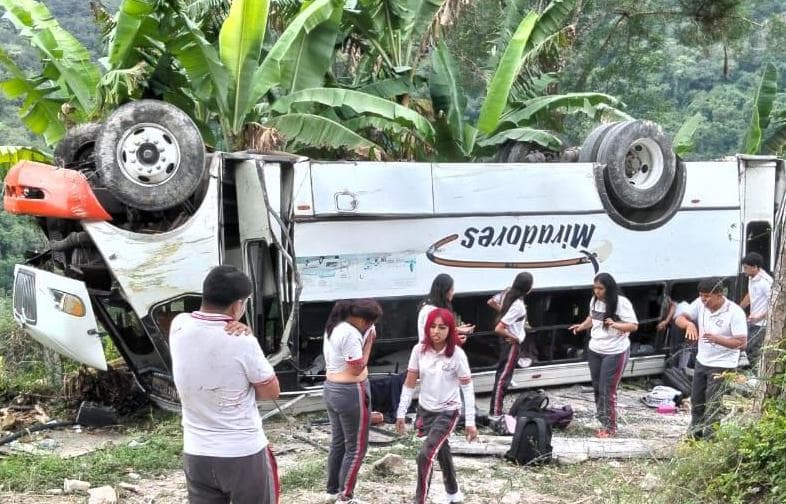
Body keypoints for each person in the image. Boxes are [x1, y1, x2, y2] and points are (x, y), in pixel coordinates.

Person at [170, 265, 281, 504]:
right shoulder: (242, 341)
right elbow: (271, 391)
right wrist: (245, 333)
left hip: (196, 452)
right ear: (238, 304)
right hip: (242, 452)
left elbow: (204, 329)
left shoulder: (178, 325)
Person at [396, 308, 478, 504]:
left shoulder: (457, 355)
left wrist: (470, 421)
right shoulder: (419, 350)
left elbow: (467, 388)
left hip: (448, 410)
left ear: (450, 330)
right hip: (426, 408)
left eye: (442, 327)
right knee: (442, 449)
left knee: (425, 456)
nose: (436, 331)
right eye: (432, 326)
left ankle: (420, 500)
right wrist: (401, 412)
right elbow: (409, 383)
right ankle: (453, 492)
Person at [323, 299, 383, 504]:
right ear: (358, 318)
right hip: (350, 391)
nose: (368, 327)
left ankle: (333, 490)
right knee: (356, 447)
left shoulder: (334, 326)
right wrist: (368, 343)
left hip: (332, 389)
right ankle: (345, 496)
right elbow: (357, 367)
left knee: (338, 442)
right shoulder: (349, 333)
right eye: (368, 323)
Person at [674, 277, 747, 439]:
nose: (704, 300)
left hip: (723, 364)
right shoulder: (700, 304)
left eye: (707, 296)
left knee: (713, 403)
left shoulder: (734, 312)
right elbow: (679, 317)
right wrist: (689, 324)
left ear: (720, 294)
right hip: (702, 361)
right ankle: (694, 436)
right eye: (701, 295)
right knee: (697, 401)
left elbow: (742, 343)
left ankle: (710, 440)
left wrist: (717, 339)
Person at [569, 272, 638, 438]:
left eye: (600, 288)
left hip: (615, 351)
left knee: (608, 390)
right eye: (595, 288)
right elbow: (592, 318)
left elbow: (634, 326)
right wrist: (581, 326)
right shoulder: (595, 301)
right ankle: (602, 420)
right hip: (595, 349)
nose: (597, 292)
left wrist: (616, 325)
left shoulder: (621, 303)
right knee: (597, 387)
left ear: (609, 288)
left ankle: (610, 427)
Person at [489, 272, 534, 416]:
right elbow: (499, 328)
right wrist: (513, 337)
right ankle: (496, 412)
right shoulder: (518, 305)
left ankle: (495, 411)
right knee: (503, 379)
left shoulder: (508, 294)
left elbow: (491, 301)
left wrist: (503, 312)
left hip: (505, 343)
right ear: (528, 288)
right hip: (511, 344)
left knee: (501, 376)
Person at [418, 273, 475, 344]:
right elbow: (433, 337)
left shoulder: (432, 305)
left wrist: (458, 330)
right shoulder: (431, 310)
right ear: (444, 291)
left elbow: (439, 330)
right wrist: (456, 341)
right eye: (451, 290)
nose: (452, 294)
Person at [739, 252, 773, 368]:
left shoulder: (766, 282)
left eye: (746, 268)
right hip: (752, 320)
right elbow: (750, 295)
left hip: (762, 323)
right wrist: (738, 309)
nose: (744, 270)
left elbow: (774, 305)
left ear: (755, 267)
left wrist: (759, 317)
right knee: (744, 346)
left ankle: (755, 374)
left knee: (752, 349)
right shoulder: (751, 278)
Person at [488, 287, 536, 368]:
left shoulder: (505, 293)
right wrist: (506, 312)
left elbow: (490, 302)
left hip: (508, 326)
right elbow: (491, 302)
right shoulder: (516, 302)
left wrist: (504, 311)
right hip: (510, 329)